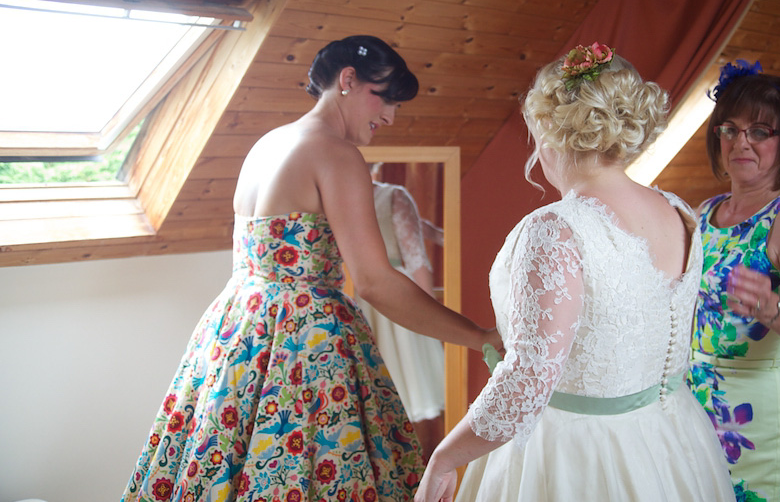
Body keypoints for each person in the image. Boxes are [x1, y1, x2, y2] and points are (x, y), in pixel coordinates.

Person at [122, 35, 499, 502]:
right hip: (306, 345)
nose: (389, 117)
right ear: (348, 80)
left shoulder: (265, 145)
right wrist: (479, 336)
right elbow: (377, 284)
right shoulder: (337, 156)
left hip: (236, 331)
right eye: (384, 99)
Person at [415, 43, 736, 502]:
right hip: (671, 440)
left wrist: (445, 456)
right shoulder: (677, 211)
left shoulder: (557, 228)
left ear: (549, 132)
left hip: (578, 455)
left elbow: (528, 379)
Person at [687, 60, 780, 502]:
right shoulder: (701, 213)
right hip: (691, 400)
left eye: (759, 132)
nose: (740, 142)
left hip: (756, 412)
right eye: (729, 129)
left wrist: (771, 307)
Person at [355, 164, 446, 458]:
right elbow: (416, 260)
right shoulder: (394, 196)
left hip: (357, 297)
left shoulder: (333, 199)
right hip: (394, 297)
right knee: (412, 390)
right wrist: (431, 315)